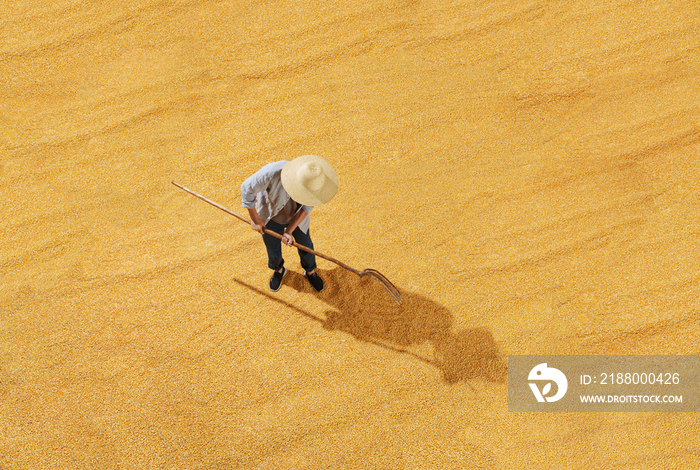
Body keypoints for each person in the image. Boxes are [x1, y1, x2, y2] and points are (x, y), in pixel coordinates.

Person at [241, 155, 338, 292]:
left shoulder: (316, 183)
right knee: (272, 245)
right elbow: (246, 188)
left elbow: (306, 208)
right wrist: (256, 219)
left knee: (305, 244)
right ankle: (279, 270)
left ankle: (310, 271)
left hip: (297, 218)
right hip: (271, 216)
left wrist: (289, 231)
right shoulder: (271, 173)